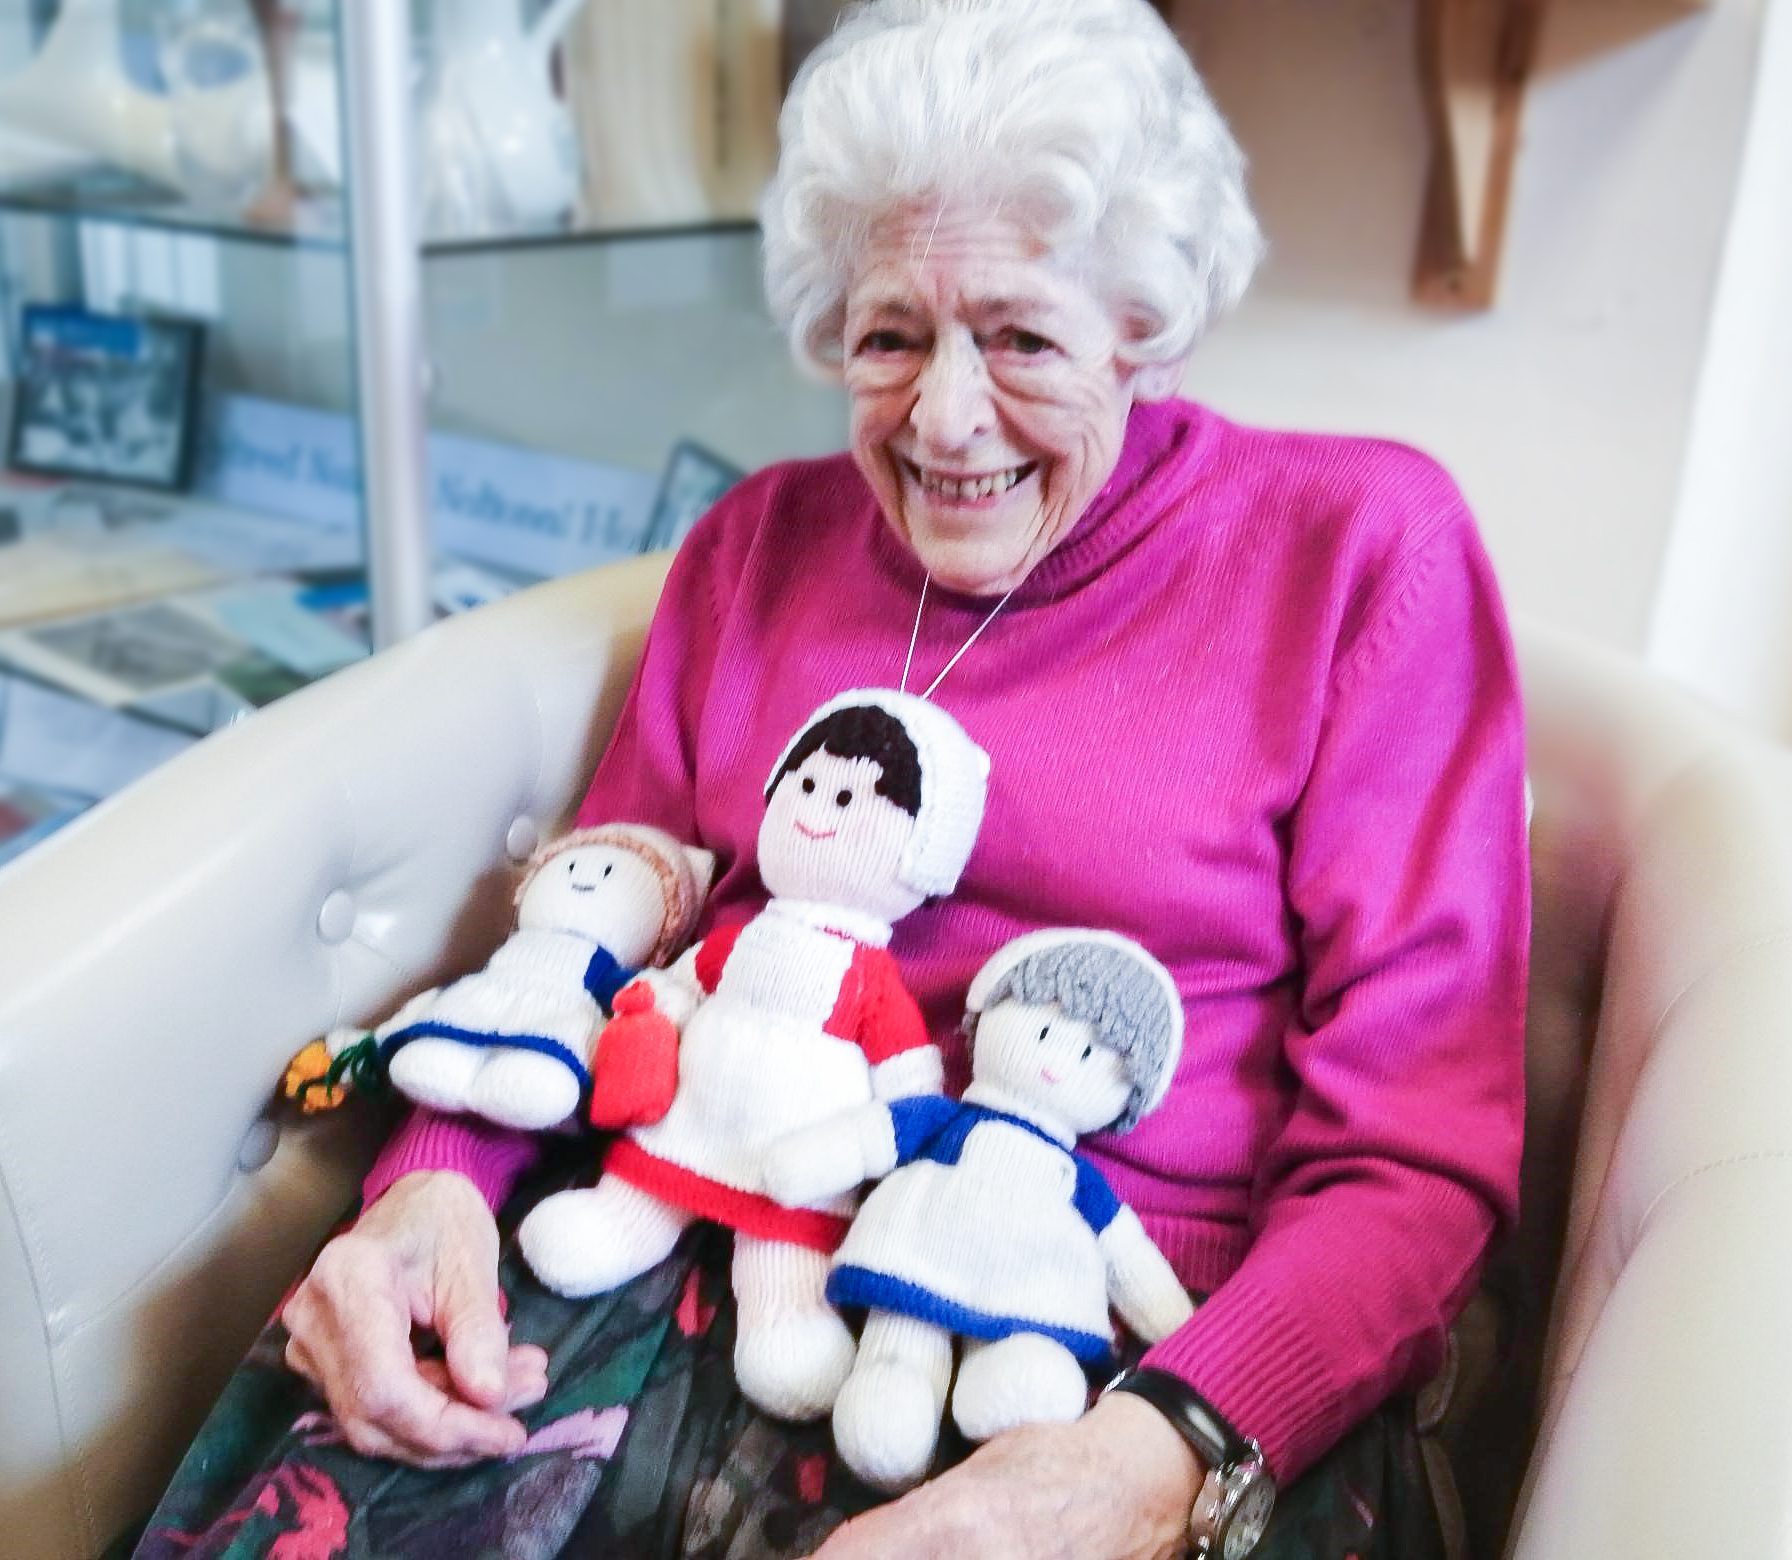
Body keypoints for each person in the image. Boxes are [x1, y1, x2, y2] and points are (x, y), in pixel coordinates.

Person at [135, 1, 1528, 1557]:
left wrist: (1158, 1454)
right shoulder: (757, 549)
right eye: (889, 337)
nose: (944, 418)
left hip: (1105, 1335)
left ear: (1144, 319)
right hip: (689, 1219)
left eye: (1019, 336)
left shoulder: (1357, 558)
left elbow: (1417, 1159)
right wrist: (432, 1180)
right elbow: (596, 924)